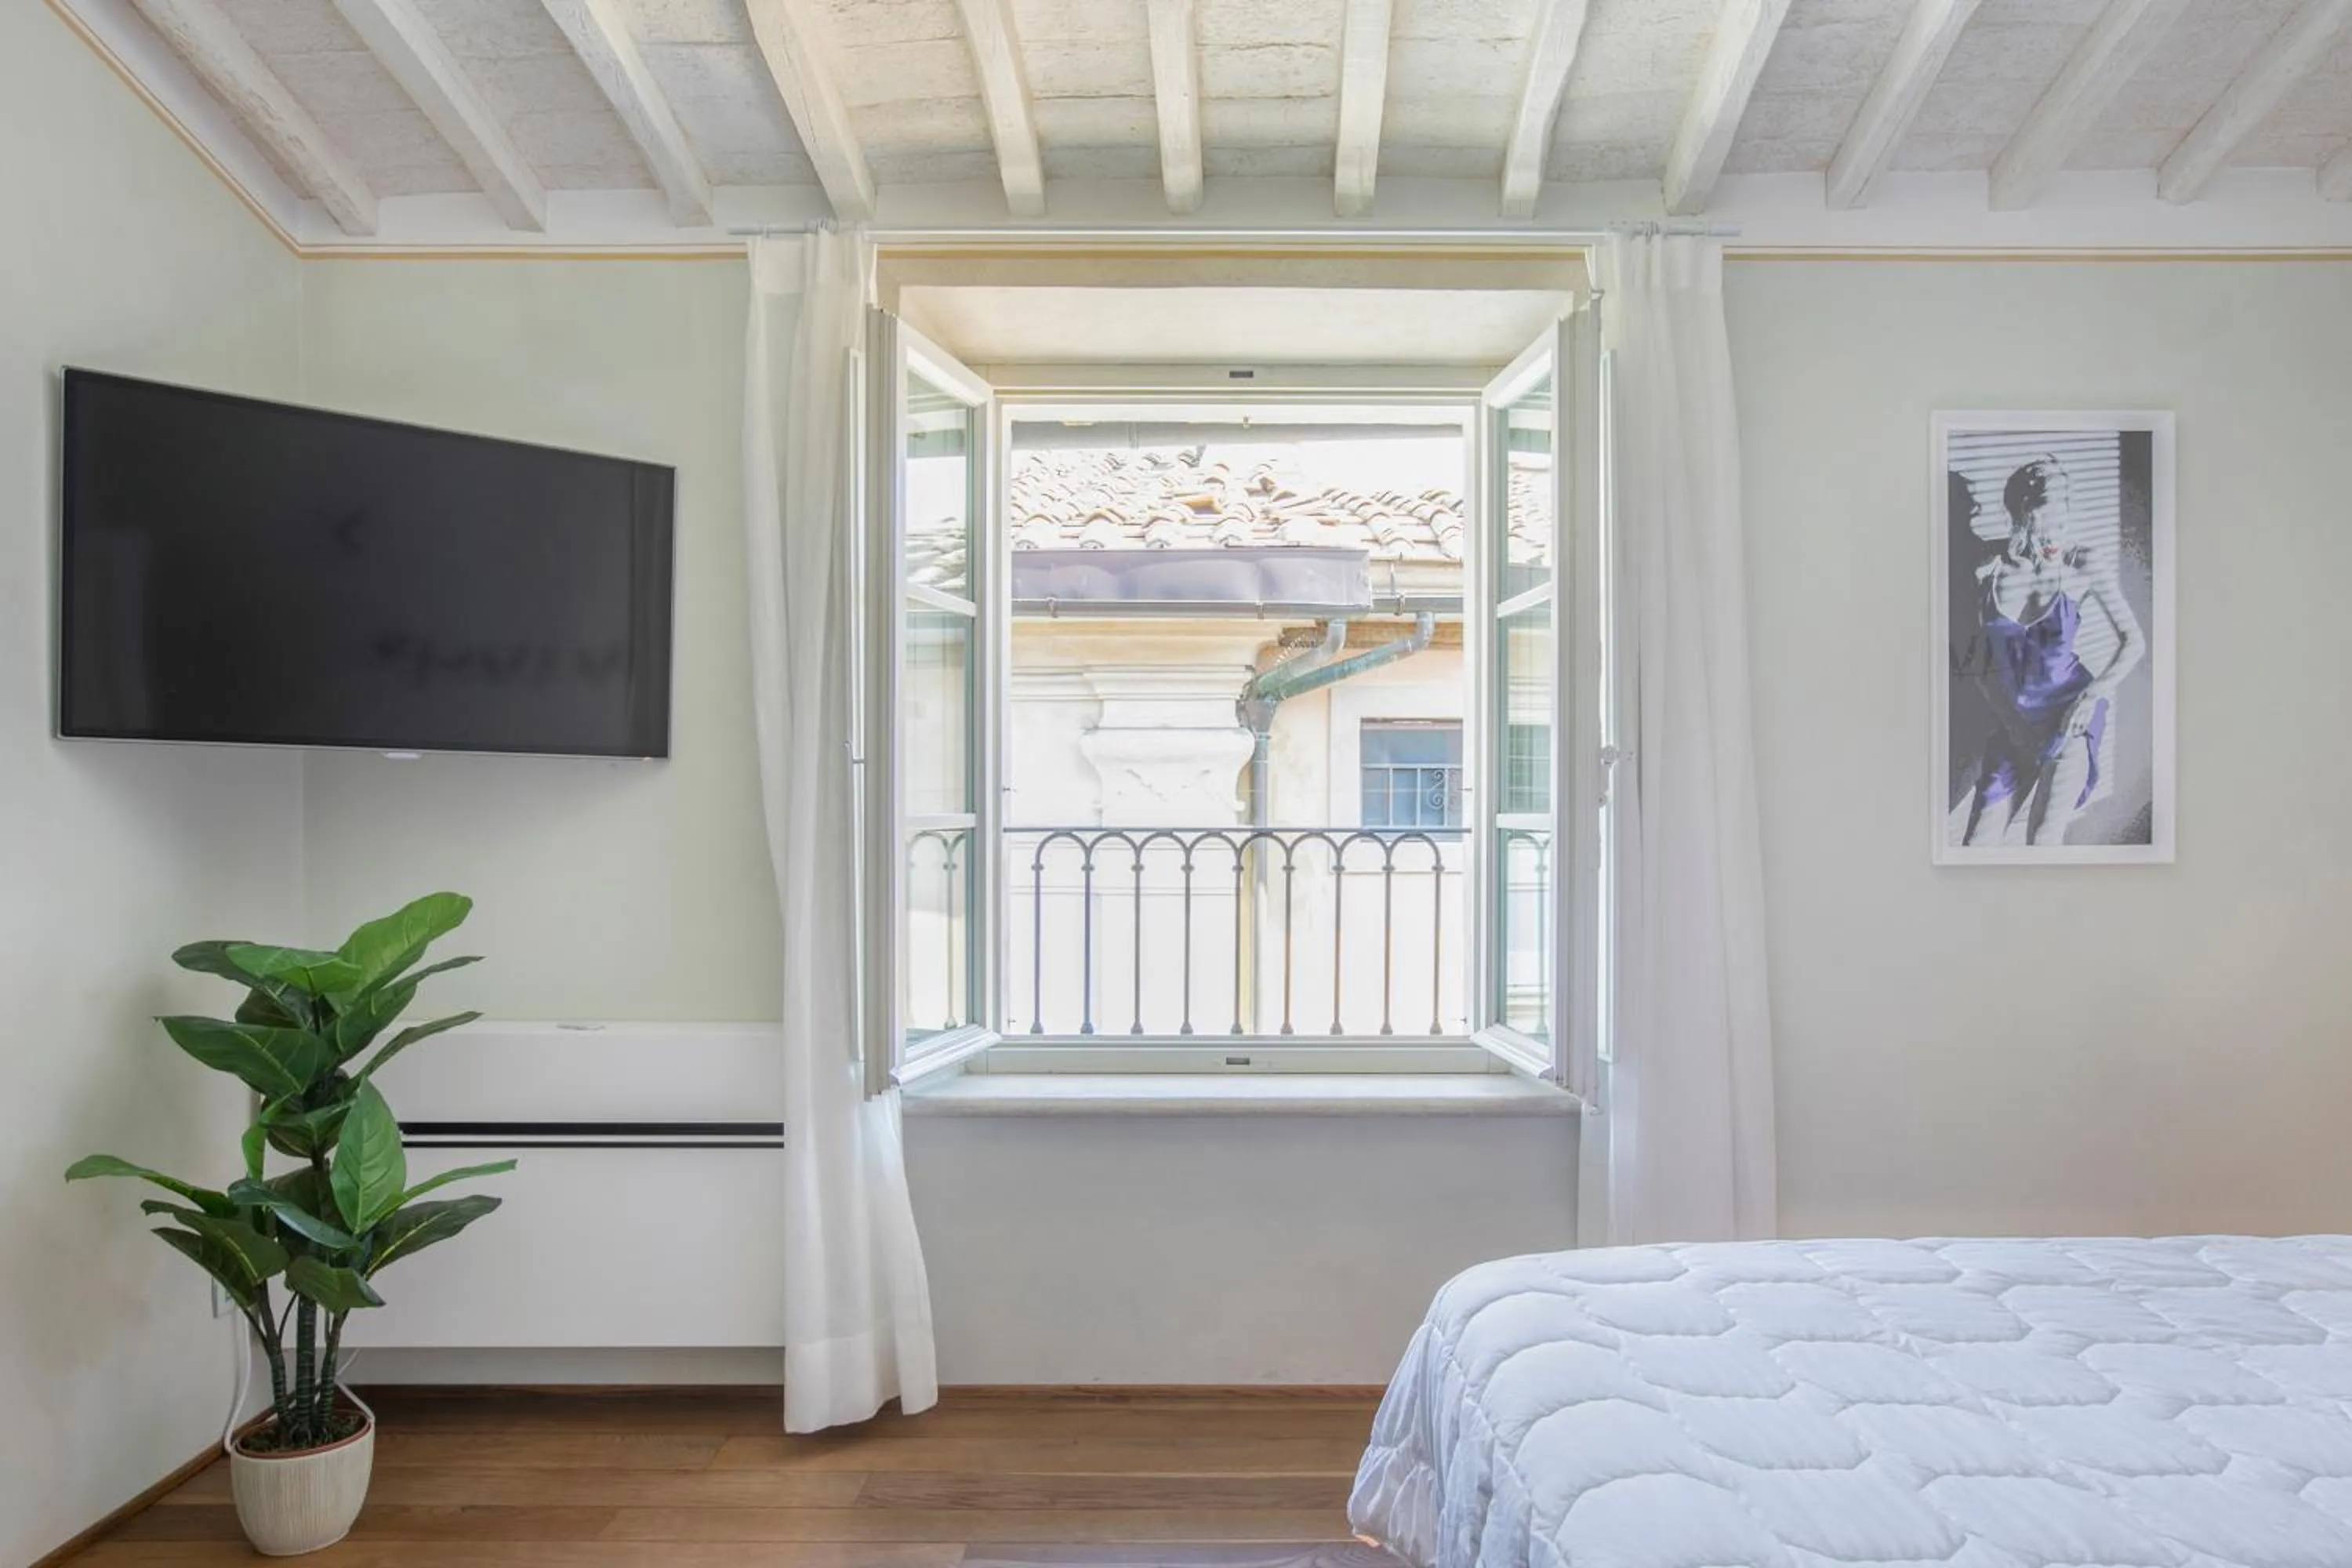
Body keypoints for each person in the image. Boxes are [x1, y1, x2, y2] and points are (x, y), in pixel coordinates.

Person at [1959, 454, 2146, 848]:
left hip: (2067, 723)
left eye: (2063, 524)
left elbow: (2134, 641)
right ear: (2021, 517)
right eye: (2044, 528)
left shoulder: (2083, 567)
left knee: (2042, 842)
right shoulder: (1988, 573)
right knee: (1975, 847)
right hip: (2013, 727)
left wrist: (2088, 699)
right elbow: (1979, 664)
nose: (2056, 540)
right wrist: (2012, 725)